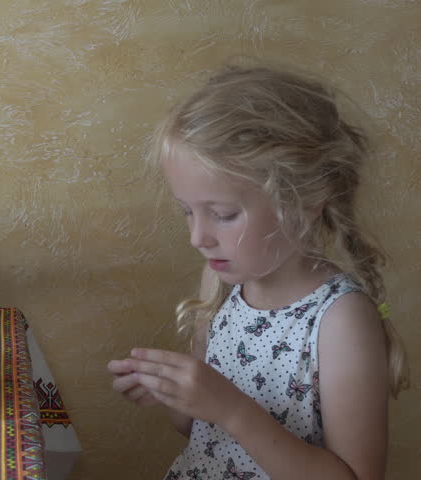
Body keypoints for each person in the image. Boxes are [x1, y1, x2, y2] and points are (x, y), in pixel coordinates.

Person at [108, 63, 410, 479]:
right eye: (187, 212)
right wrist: (170, 392)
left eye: (223, 214)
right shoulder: (219, 282)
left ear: (307, 199)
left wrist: (232, 410)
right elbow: (198, 431)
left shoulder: (340, 320)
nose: (198, 237)